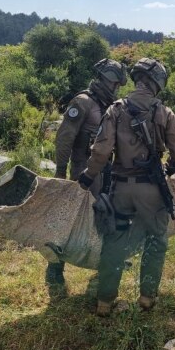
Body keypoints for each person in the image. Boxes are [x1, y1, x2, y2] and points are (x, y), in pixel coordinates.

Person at [78, 57, 175, 316]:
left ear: (138, 79)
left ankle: (105, 301)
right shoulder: (164, 112)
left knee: (114, 242)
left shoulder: (116, 109)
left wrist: (86, 177)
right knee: (156, 241)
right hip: (152, 189)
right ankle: (147, 298)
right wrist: (173, 164)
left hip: (120, 188)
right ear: (157, 82)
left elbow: (101, 151)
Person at [48, 58, 127, 290]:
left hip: (108, 171)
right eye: (115, 84)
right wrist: (60, 171)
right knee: (71, 219)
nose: (116, 89)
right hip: (82, 170)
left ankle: (101, 264)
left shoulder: (112, 105)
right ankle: (55, 269)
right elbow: (64, 138)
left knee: (104, 219)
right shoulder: (83, 102)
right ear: (108, 80)